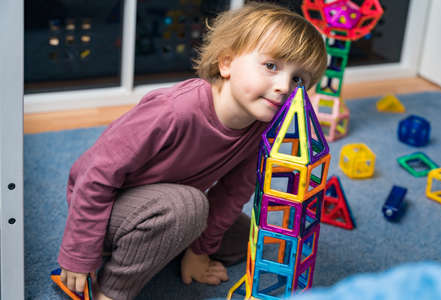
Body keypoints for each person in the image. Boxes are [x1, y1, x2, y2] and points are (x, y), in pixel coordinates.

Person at [57, 2, 327, 299]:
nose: (283, 86)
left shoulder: (262, 128)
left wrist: (200, 252)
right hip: (109, 206)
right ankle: (112, 291)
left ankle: (166, 239)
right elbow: (96, 176)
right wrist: (79, 252)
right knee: (189, 206)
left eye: (298, 80)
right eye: (271, 66)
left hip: (170, 204)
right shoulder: (173, 111)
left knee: (243, 238)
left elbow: (233, 193)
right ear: (226, 63)